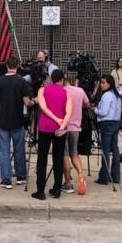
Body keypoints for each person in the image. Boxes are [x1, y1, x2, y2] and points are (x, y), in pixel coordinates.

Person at [0, 56, 34, 189]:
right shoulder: (21, 81)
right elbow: (27, 102)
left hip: (2, 120)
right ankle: (20, 177)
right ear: (18, 66)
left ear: (6, 66)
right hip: (18, 120)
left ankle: (6, 180)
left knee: (4, 150)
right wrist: (34, 102)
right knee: (19, 149)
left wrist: (1, 101)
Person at [32, 69, 72, 200]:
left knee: (42, 159)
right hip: (60, 128)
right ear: (62, 79)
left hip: (45, 127)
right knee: (58, 158)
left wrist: (55, 119)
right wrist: (61, 124)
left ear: (51, 78)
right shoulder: (66, 92)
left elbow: (43, 108)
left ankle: (40, 191)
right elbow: (68, 112)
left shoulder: (43, 90)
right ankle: (56, 189)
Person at [61, 77, 90, 195]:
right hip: (76, 128)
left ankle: (68, 183)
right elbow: (87, 105)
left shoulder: (62, 92)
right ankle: (80, 173)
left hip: (63, 127)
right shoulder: (80, 90)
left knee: (65, 155)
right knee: (74, 153)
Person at [94, 74, 122, 186]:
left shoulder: (106, 95)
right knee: (115, 149)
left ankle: (104, 177)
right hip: (116, 122)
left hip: (107, 123)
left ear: (109, 83)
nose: (101, 85)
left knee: (105, 150)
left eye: (104, 82)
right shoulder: (117, 95)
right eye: (101, 82)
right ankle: (115, 176)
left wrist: (95, 109)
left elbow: (103, 112)